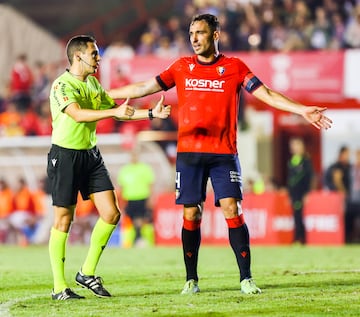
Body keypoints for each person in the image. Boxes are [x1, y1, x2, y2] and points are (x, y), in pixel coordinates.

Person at [107, 14, 332, 295]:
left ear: (215, 35)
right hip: (189, 153)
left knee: (232, 209)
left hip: (223, 153)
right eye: (191, 34)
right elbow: (143, 88)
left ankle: (246, 279)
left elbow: (267, 93)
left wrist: (302, 110)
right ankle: (191, 280)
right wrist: (107, 94)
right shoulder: (181, 67)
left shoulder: (234, 67)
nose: (194, 39)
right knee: (191, 213)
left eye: (200, 33)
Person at [47, 35, 171, 301]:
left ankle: (86, 272)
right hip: (65, 157)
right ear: (78, 56)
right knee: (64, 220)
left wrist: (151, 114)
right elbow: (78, 114)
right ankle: (59, 287)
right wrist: (112, 114)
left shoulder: (92, 83)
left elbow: (118, 109)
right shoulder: (62, 85)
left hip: (90, 156)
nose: (98, 58)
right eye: (94, 54)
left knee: (112, 213)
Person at [117, 149, 155, 247]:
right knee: (133, 219)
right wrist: (121, 201)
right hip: (129, 198)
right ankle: (137, 238)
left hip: (142, 197)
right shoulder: (125, 170)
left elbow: (150, 184)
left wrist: (150, 198)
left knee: (140, 218)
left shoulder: (144, 168)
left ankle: (138, 238)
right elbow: (121, 187)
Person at [287, 137, 315, 244]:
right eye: (293, 145)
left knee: (299, 215)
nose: (295, 147)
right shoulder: (291, 161)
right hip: (294, 194)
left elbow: (310, 177)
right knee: (296, 215)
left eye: (297, 145)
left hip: (301, 193)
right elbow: (290, 179)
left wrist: (307, 193)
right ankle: (300, 239)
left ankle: (299, 239)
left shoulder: (306, 161)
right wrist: (289, 194)